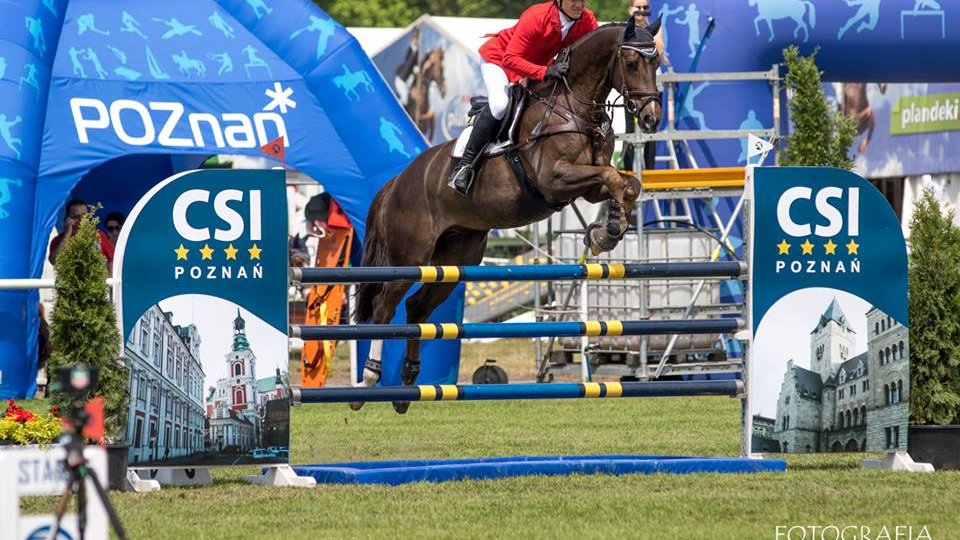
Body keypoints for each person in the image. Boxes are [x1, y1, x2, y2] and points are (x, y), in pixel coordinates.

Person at [448, 0, 599, 196]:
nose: (579, 5)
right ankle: (464, 166)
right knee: (500, 105)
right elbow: (510, 58)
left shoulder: (587, 20)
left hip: (536, 68)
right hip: (499, 60)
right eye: (573, 0)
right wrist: (545, 72)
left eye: (582, 0)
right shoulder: (537, 16)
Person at [622, 0, 669, 172]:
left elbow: (660, 51)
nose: (642, 11)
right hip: (634, 90)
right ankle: (628, 173)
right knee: (629, 131)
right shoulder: (626, 30)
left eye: (645, 8)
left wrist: (645, 30)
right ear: (630, 9)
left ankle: (650, 174)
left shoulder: (654, 29)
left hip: (652, 88)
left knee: (651, 130)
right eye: (638, 7)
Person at [48, 199, 115, 273]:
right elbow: (54, 261)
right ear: (68, 218)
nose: (81, 220)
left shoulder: (98, 236)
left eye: (85, 216)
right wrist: (67, 235)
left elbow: (112, 259)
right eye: (76, 216)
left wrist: (109, 280)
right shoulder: (59, 240)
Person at [395, 27, 420, 106]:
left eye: (417, 39)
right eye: (416, 39)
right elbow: (409, 61)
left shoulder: (416, 51)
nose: (417, 41)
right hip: (401, 80)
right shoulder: (411, 49)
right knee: (405, 98)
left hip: (407, 80)